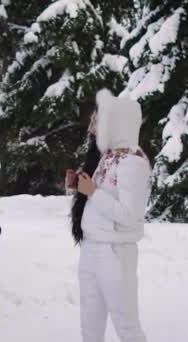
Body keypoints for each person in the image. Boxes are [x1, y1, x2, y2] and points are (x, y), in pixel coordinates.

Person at [66, 89, 151, 342]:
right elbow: (102, 197)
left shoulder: (134, 162)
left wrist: (92, 192)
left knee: (126, 325)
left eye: (98, 122)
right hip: (92, 248)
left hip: (115, 252)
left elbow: (129, 215)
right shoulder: (108, 157)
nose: (92, 129)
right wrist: (79, 186)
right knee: (90, 325)